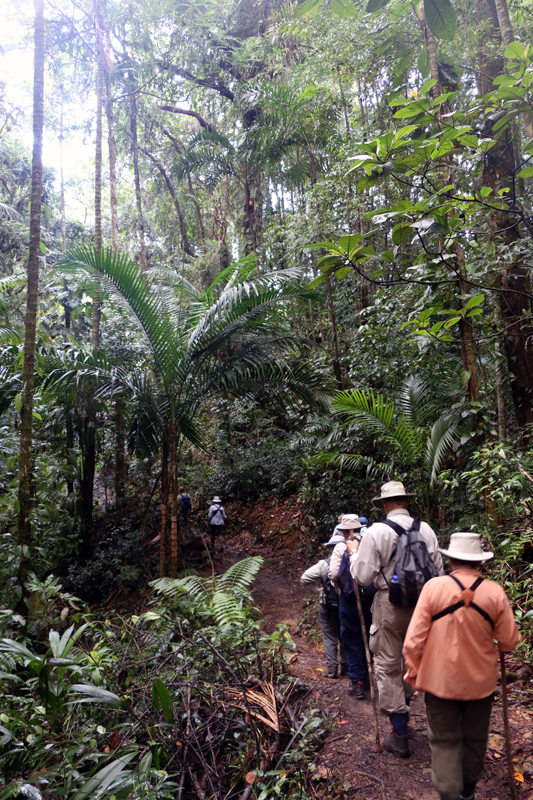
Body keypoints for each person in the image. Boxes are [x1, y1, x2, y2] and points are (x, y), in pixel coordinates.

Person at [403, 533, 520, 800]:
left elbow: (413, 640)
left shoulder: (433, 588)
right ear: (480, 562)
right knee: (475, 737)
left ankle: (448, 793)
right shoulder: (495, 592)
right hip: (481, 684)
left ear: (451, 559)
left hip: (439, 682)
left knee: (444, 739)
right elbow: (509, 641)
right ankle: (468, 791)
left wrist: (414, 668)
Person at [352, 480, 444, 756]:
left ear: (383, 504)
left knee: (388, 661)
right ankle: (425, 718)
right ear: (407, 502)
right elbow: (438, 571)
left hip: (388, 605)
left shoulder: (377, 532)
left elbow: (362, 577)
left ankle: (400, 733)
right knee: (413, 658)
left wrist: (355, 555)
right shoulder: (425, 529)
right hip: (424, 605)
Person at [328, 514, 374, 699]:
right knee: (370, 638)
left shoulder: (341, 547)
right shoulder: (369, 544)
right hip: (370, 600)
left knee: (352, 639)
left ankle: (357, 683)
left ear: (344, 530)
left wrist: (342, 588)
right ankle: (370, 676)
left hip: (348, 601)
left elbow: (332, 574)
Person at [300, 533, 348, 679]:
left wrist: (317, 591)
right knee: (346, 634)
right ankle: (347, 666)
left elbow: (305, 578)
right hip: (346, 605)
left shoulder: (324, 564)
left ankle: (332, 667)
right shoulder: (352, 562)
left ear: (331, 549)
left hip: (327, 605)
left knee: (329, 636)